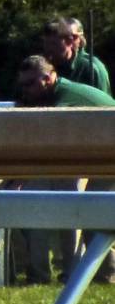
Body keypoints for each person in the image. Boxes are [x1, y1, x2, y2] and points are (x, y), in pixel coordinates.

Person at [10, 54, 115, 284]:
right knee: (87, 211)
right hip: (97, 154)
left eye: (29, 84)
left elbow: (47, 145)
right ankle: (80, 273)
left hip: (108, 156)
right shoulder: (55, 93)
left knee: (90, 212)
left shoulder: (64, 103)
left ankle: (103, 274)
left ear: (47, 79)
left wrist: (18, 176)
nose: (25, 90)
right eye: (22, 85)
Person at [41, 17, 110, 95]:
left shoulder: (90, 68)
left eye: (54, 44)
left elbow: (102, 103)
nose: (49, 48)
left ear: (70, 41)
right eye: (46, 43)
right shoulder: (47, 67)